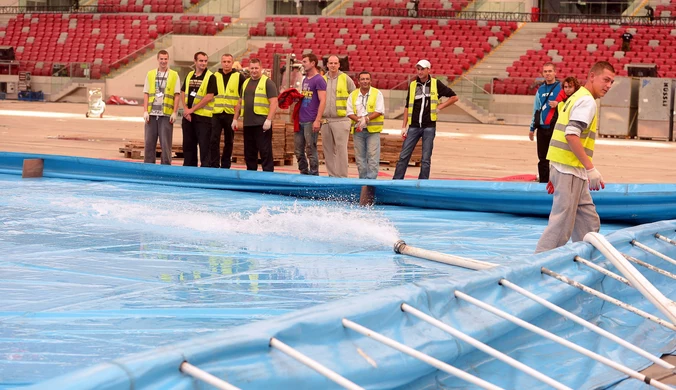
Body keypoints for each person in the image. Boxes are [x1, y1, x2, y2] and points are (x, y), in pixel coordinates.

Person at [535, 61, 615, 253]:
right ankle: (539, 263)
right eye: (605, 80)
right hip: (569, 169)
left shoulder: (576, 97)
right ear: (592, 76)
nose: (608, 86)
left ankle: (589, 256)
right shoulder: (586, 101)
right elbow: (571, 134)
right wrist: (590, 168)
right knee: (561, 223)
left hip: (569, 169)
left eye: (612, 82)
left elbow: (560, 131)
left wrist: (555, 171)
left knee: (588, 219)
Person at [393, 59, 458, 180]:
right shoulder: (413, 85)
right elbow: (407, 106)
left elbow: (454, 97)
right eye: (418, 69)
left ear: (429, 69)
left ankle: (422, 183)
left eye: (422, 69)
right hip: (413, 127)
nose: (420, 71)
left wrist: (440, 106)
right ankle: (397, 181)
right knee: (403, 156)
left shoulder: (435, 84)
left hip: (429, 127)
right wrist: (403, 126)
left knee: (425, 159)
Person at [232, 58, 278, 172]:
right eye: (252, 68)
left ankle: (268, 176)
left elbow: (274, 102)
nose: (254, 70)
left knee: (265, 152)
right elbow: (240, 102)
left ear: (261, 68)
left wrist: (269, 120)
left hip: (262, 124)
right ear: (249, 69)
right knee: (249, 153)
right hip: (248, 124)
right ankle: (251, 175)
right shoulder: (246, 82)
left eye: (256, 68)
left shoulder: (268, 83)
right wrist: (235, 119)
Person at [142, 50, 180, 165]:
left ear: (168, 60)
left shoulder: (174, 75)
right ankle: (148, 167)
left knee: (166, 144)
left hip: (166, 115)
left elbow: (176, 95)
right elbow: (146, 93)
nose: (163, 61)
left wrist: (174, 112)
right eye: (161, 59)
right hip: (152, 114)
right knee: (149, 143)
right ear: (158, 59)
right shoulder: (150, 74)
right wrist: (145, 111)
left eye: (165, 59)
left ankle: (166, 167)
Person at [321, 55, 356, 178]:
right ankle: (332, 175)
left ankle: (342, 177)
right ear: (327, 65)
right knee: (328, 150)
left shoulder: (346, 79)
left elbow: (354, 96)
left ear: (339, 65)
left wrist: (353, 117)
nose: (333, 65)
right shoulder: (322, 79)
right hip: (325, 120)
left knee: (341, 150)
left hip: (341, 119)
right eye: (331, 63)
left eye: (335, 63)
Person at [180, 51, 216, 167]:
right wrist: (186, 109)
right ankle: (189, 171)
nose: (203, 63)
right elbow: (182, 91)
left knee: (205, 147)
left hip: (203, 118)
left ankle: (205, 172)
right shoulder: (190, 75)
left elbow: (209, 97)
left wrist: (192, 109)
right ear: (195, 61)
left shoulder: (211, 77)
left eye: (205, 61)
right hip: (188, 117)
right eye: (201, 61)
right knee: (188, 146)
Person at [346, 71, 385, 179]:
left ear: (371, 81)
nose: (365, 81)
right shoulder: (353, 95)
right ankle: (362, 181)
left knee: (373, 157)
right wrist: (358, 120)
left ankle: (371, 182)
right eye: (362, 79)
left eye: (367, 79)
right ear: (358, 81)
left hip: (373, 131)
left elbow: (379, 110)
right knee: (360, 158)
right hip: (358, 131)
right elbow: (349, 112)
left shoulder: (377, 94)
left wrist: (366, 119)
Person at [209, 54, 244, 169]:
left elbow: (242, 97)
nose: (226, 64)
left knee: (229, 141)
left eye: (229, 61)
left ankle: (225, 164)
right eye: (224, 61)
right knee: (214, 139)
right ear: (221, 62)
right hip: (216, 113)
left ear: (232, 62)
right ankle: (214, 163)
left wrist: (237, 116)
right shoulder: (214, 76)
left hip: (230, 114)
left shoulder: (239, 77)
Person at [529, 62, 561, 183]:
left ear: (555, 72)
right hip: (542, 129)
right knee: (542, 158)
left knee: (557, 157)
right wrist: (532, 128)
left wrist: (558, 104)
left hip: (556, 128)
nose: (547, 74)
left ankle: (557, 181)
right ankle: (543, 182)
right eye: (545, 71)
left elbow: (569, 105)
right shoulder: (540, 90)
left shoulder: (561, 87)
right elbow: (536, 110)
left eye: (550, 71)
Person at [295, 53, 326, 175]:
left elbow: (322, 100)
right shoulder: (305, 79)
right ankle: (303, 172)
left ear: (313, 63)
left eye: (304, 61)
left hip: (310, 120)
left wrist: (317, 120)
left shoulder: (319, 80)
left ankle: (314, 174)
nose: (302, 64)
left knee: (310, 148)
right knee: (298, 150)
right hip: (301, 119)